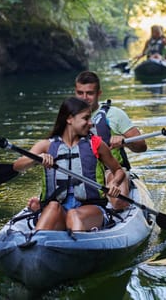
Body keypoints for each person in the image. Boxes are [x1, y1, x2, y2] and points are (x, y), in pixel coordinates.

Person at [14, 97, 125, 231]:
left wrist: (114, 183)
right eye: (86, 118)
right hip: (59, 209)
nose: (91, 123)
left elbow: (118, 170)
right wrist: (37, 158)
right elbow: (17, 166)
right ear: (69, 119)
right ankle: (36, 243)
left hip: (91, 209)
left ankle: (77, 245)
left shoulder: (97, 144)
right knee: (52, 206)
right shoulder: (46, 145)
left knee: (74, 214)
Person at [74, 71, 147, 210]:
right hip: (80, 172)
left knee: (118, 203)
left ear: (99, 93)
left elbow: (142, 146)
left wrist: (125, 141)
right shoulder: (69, 117)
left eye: (89, 93)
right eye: (80, 93)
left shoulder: (115, 114)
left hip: (112, 171)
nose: (84, 98)